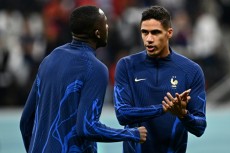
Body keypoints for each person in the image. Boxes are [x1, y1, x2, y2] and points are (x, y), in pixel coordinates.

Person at [20, 5, 147, 153]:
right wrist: (130, 133)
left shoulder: (49, 59)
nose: (108, 27)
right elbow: (87, 127)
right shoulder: (96, 69)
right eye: (105, 23)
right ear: (97, 33)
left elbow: (25, 121)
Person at [113, 5, 207, 153]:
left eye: (155, 32)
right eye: (145, 32)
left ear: (169, 33)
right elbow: (122, 114)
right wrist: (162, 109)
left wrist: (183, 115)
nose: (149, 39)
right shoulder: (126, 66)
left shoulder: (191, 70)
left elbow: (200, 127)